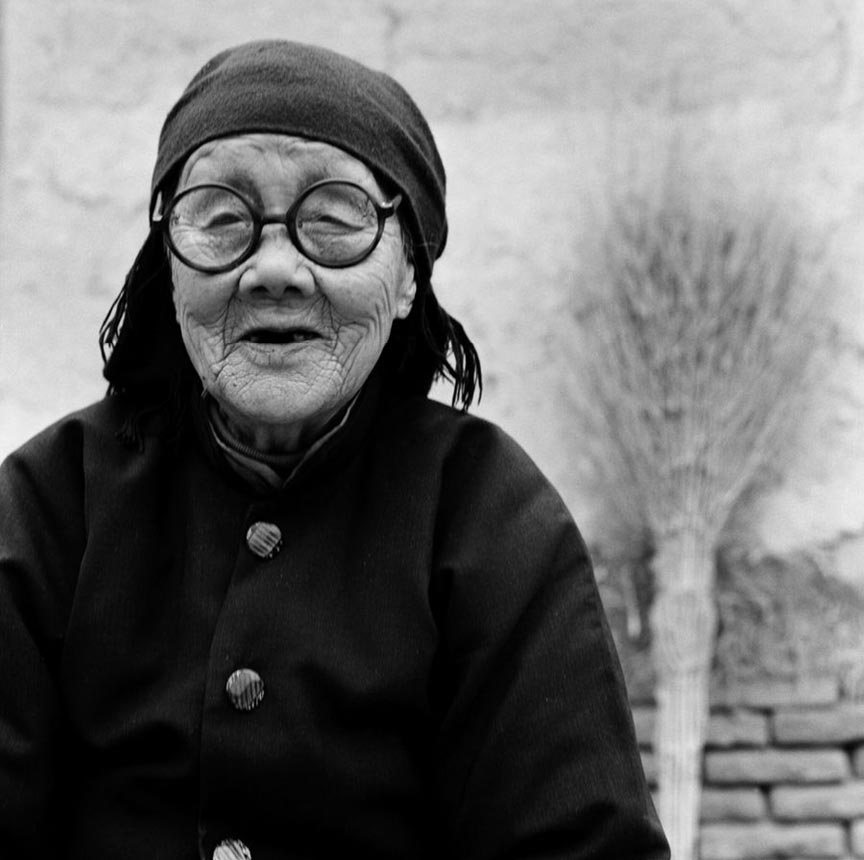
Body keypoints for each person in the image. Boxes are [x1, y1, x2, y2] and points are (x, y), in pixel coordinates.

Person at [0, 40, 669, 860]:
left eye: (334, 220)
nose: (273, 270)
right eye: (220, 219)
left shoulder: (489, 517)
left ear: (408, 275)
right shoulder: (48, 504)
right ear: (169, 264)